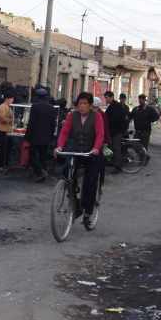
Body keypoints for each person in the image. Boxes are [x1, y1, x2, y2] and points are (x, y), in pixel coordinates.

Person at [56, 92, 105, 227]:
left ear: (90, 105)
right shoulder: (72, 116)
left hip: (92, 153)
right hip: (77, 150)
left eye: (85, 104)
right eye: (80, 104)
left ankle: (88, 212)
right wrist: (60, 146)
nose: (82, 106)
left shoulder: (97, 117)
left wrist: (96, 148)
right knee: (67, 173)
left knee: (90, 183)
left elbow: (100, 134)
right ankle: (75, 203)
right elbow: (65, 132)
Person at [26, 88, 56, 182]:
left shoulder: (35, 107)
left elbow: (31, 122)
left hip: (35, 136)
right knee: (43, 156)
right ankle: (43, 172)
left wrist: (27, 135)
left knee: (32, 156)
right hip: (46, 137)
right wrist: (51, 135)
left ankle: (40, 172)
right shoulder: (51, 108)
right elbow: (53, 123)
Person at [104, 91, 128, 173]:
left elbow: (115, 120)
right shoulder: (111, 106)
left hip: (117, 132)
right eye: (105, 98)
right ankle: (112, 163)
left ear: (111, 97)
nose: (106, 99)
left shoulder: (117, 106)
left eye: (107, 97)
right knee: (112, 148)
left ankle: (118, 167)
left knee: (116, 148)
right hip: (112, 131)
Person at [0, 91, 15, 171]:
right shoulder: (2, 107)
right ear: (7, 99)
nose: (12, 100)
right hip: (3, 130)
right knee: (3, 149)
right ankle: (1, 165)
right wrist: (11, 121)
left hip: (7, 130)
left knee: (6, 149)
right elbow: (3, 118)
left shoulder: (8, 107)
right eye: (11, 99)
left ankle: (4, 164)